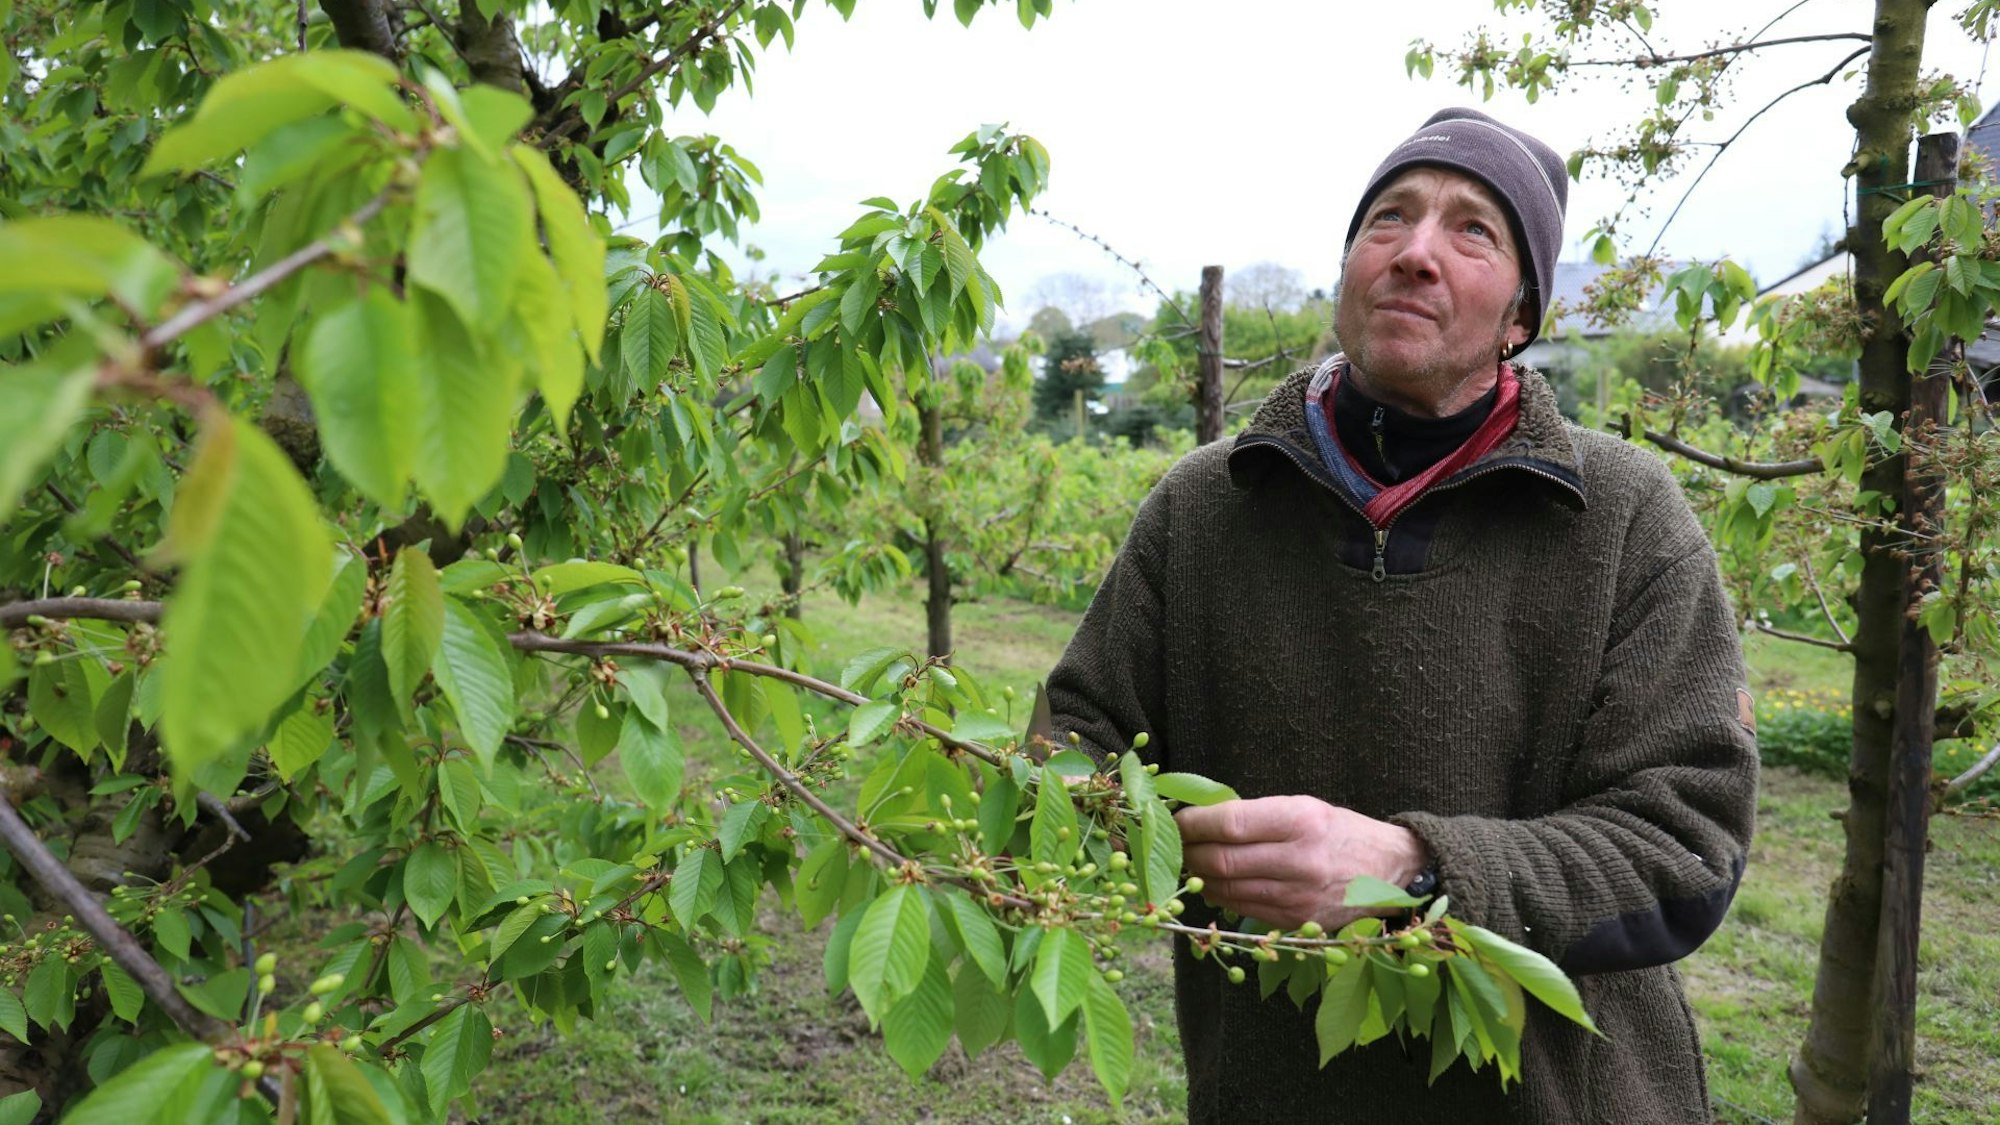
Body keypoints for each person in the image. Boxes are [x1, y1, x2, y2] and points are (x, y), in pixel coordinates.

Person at [1045, 107, 1758, 1123]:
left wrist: (1412, 872)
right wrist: (1134, 832)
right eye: (1387, 218)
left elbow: (1683, 857)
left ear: (1520, 315)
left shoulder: (1625, 520)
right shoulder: (1204, 509)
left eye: (1472, 230)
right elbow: (1070, 749)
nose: (1415, 252)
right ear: (1345, 274)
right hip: (1273, 1094)